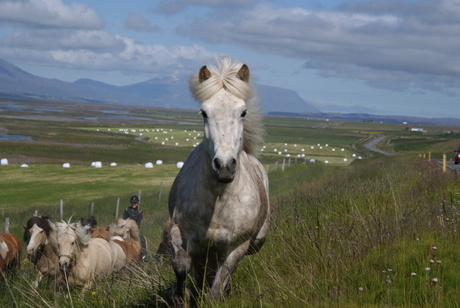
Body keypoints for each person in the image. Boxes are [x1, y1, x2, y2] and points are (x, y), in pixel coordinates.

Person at [123, 195, 148, 261]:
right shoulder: (127, 210)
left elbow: (138, 221)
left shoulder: (139, 211)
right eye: (132, 203)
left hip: (136, 229)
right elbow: (124, 219)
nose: (134, 204)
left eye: (135, 203)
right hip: (127, 228)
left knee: (141, 238)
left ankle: (143, 254)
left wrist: (134, 227)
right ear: (130, 203)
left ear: (137, 203)